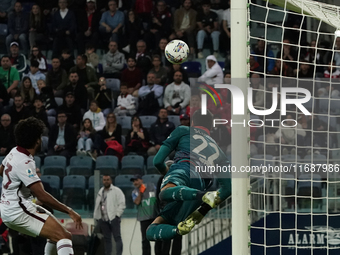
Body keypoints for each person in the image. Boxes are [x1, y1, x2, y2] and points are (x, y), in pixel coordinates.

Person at [0, 117, 82, 255]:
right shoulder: (25, 162)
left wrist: (17, 186)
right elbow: (42, 196)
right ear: (37, 140)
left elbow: (2, 171)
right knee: (64, 237)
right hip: (17, 210)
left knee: (58, 236)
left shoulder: (14, 151)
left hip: (9, 207)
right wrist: (69, 211)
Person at [146, 110, 231, 241]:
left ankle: (201, 196)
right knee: (151, 230)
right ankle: (177, 230)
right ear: (210, 127)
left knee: (164, 193)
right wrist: (203, 210)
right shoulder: (221, 153)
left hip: (185, 168)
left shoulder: (183, 130)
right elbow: (228, 189)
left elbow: (157, 161)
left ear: (192, 123)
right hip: (200, 184)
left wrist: (165, 172)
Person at [94, 175, 125, 255]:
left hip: (113, 218)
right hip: (103, 219)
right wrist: (97, 217)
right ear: (102, 181)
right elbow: (98, 205)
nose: (106, 181)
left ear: (111, 181)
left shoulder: (116, 191)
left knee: (117, 238)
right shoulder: (101, 191)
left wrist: (117, 215)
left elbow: (122, 204)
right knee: (107, 239)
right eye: (104, 180)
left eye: (108, 179)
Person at [131, 175, 162, 255]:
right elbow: (137, 202)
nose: (135, 182)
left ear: (141, 180)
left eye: (136, 180)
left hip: (154, 216)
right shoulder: (134, 192)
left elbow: (158, 196)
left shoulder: (151, 186)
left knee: (157, 238)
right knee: (145, 240)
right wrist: (141, 192)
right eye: (134, 181)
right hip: (143, 218)